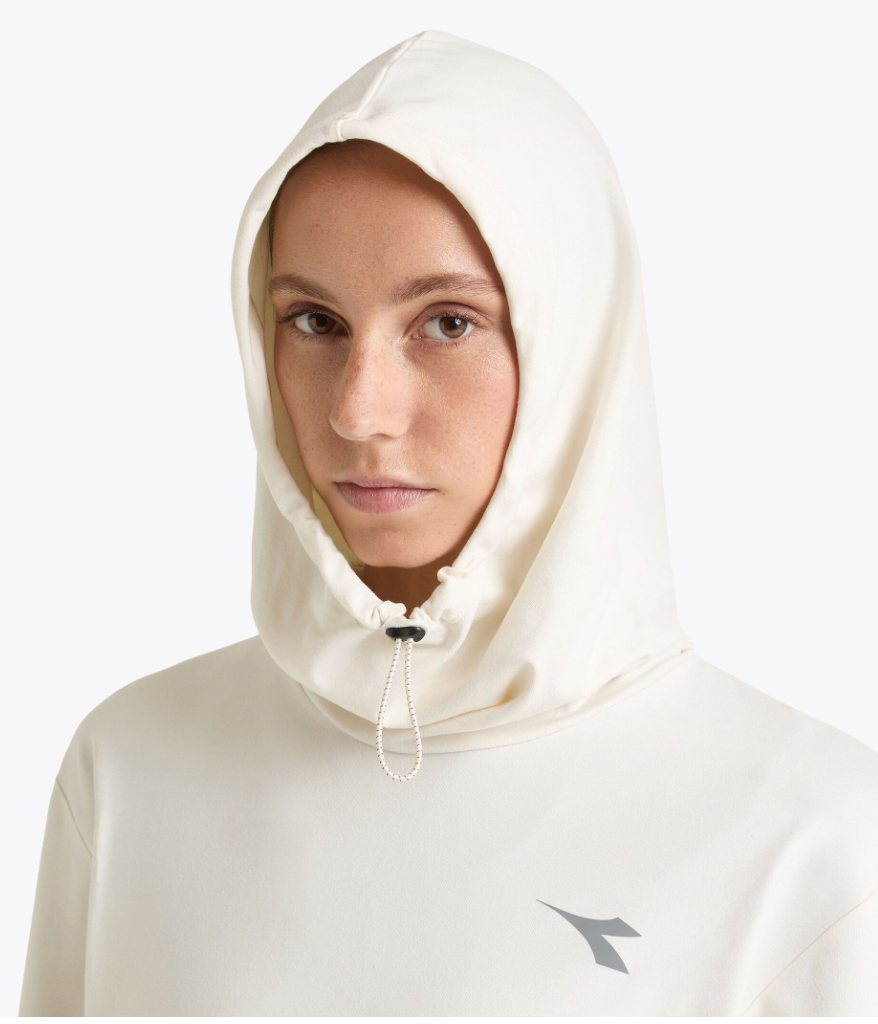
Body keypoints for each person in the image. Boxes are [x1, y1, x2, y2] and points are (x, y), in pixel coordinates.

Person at [17, 28, 878, 1016]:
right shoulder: (131, 771)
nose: (358, 411)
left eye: (447, 323)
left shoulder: (810, 844)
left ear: (577, 345)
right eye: (313, 321)